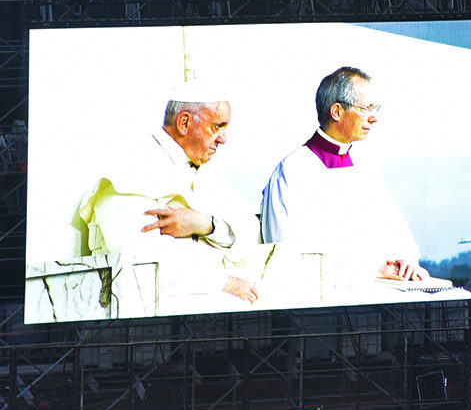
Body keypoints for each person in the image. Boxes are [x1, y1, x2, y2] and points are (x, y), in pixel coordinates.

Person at [72, 85, 260, 308]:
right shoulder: (133, 170)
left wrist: (205, 224)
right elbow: (140, 263)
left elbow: (250, 231)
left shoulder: (207, 172)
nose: (223, 139)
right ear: (185, 123)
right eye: (217, 127)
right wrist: (222, 281)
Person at [260, 67, 426, 284]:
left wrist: (406, 259)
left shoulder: (365, 168)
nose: (374, 118)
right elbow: (285, 256)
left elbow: (397, 232)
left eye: (375, 108)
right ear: (337, 111)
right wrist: (369, 270)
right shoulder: (292, 172)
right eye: (366, 108)